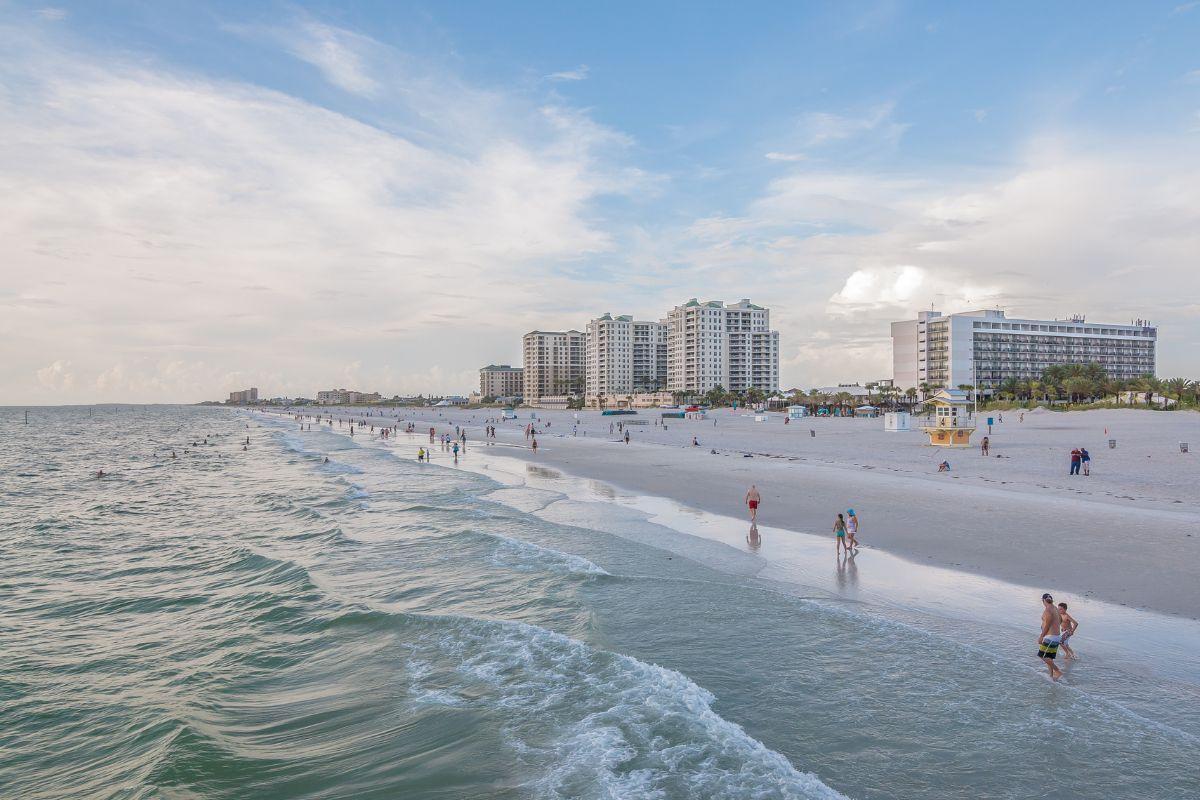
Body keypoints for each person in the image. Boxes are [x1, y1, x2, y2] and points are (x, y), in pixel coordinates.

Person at [1037, 593, 1063, 680]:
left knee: (1042, 656)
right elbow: (1061, 619)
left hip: (1050, 637)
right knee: (1049, 657)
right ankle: (1051, 676)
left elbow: (1047, 625)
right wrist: (1055, 627)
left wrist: (1041, 636)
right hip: (1056, 636)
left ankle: (1058, 671)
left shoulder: (1048, 610)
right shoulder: (1055, 608)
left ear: (1043, 600)